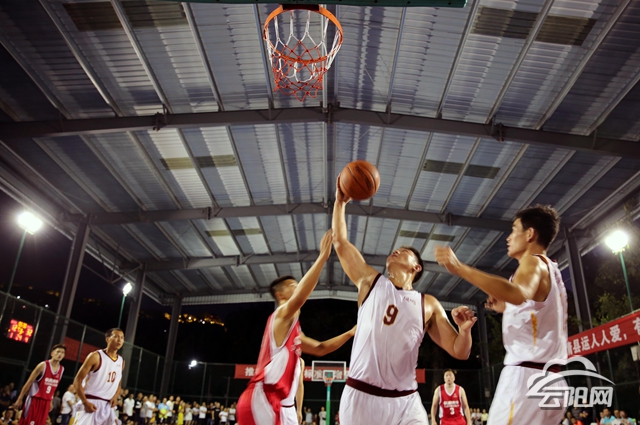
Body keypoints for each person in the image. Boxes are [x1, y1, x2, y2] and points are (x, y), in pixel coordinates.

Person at [332, 180, 476, 425]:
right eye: (395, 250)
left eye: (404, 251)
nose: (396, 251)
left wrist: (464, 331)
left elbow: (460, 351)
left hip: (406, 402)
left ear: (416, 267)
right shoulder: (370, 282)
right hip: (362, 397)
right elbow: (340, 243)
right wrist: (339, 203)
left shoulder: (427, 304)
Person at [436, 205, 567, 425]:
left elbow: (518, 293)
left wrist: (459, 268)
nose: (508, 237)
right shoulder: (552, 269)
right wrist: (506, 307)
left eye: (514, 230)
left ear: (530, 234)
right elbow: (534, 309)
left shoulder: (533, 261)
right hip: (551, 379)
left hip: (527, 379)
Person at [236, 230, 357, 425]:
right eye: (293, 285)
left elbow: (320, 348)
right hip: (264, 398)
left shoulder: (294, 332)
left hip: (283, 404)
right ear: (280, 295)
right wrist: (322, 258)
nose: (298, 286)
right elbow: (301, 297)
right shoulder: (281, 315)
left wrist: (350, 333)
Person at [73, 328, 125, 425]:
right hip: (91, 401)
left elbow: (118, 383)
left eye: (122, 338)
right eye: (116, 337)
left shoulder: (121, 361)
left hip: (108, 405)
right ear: (107, 339)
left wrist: (115, 396)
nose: (119, 340)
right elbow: (77, 380)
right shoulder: (95, 356)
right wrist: (85, 402)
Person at [13, 344, 66, 425]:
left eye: (62, 352)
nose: (60, 354)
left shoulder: (61, 369)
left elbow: (53, 387)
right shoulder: (43, 365)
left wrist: (50, 401)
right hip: (35, 399)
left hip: (46, 402)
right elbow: (29, 382)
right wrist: (20, 398)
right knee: (27, 423)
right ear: (52, 353)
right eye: (58, 351)